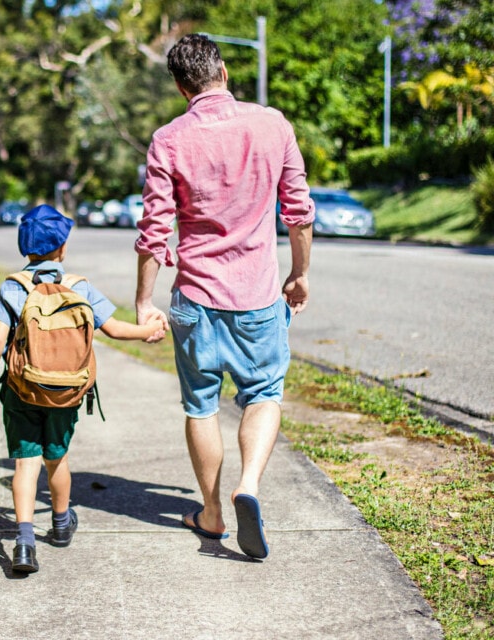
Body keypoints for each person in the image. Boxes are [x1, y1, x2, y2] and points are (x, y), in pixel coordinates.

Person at [134, 34, 314, 560]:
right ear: (225, 73)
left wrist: (145, 302)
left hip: (195, 299)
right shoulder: (273, 123)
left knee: (200, 405)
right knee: (263, 395)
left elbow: (154, 232)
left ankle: (211, 512)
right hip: (258, 297)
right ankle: (249, 486)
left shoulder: (168, 139)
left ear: (179, 85)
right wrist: (300, 274)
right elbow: (298, 213)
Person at [0, 204, 165, 574]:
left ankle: (24, 543)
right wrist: (149, 331)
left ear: (24, 248)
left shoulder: (13, 287)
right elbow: (114, 329)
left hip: (21, 390)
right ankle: (61, 525)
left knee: (25, 463)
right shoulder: (79, 287)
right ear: (62, 248)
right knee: (57, 458)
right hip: (66, 392)